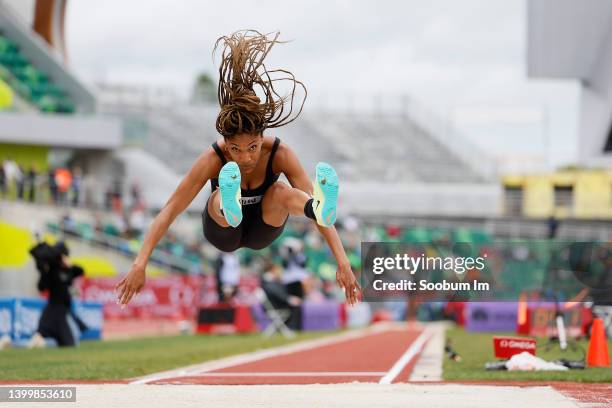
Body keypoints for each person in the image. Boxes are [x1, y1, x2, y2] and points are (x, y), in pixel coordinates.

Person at [115, 30, 360, 307]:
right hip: (223, 231)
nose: (245, 158)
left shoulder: (280, 153)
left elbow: (310, 204)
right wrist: (140, 263)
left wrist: (343, 262)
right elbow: (170, 209)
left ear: (262, 137)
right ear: (226, 143)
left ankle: (314, 206)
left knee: (282, 190)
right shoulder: (212, 157)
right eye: (236, 150)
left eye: (253, 148)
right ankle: (228, 205)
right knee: (219, 193)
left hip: (263, 228)